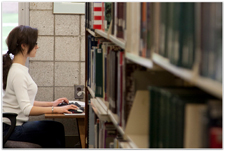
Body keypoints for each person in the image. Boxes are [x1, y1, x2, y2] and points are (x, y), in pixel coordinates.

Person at [2, 25, 78, 148]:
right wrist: (56, 110)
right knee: (55, 130)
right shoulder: (17, 73)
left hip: (12, 126)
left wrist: (51, 104)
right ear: (23, 45)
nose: (37, 46)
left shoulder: (18, 69)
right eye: (35, 43)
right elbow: (27, 109)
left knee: (55, 129)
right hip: (10, 129)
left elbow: (25, 101)